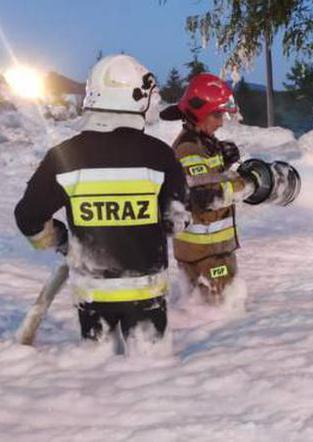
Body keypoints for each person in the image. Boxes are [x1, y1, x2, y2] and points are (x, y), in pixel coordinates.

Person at [14, 54, 186, 346]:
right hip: (147, 296)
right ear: (136, 99)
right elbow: (177, 223)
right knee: (151, 380)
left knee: (99, 377)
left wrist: (63, 242)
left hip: (92, 294)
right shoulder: (160, 155)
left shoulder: (63, 156)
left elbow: (28, 218)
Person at [160, 73, 300, 305]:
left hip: (211, 252)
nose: (221, 121)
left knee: (214, 310)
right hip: (204, 256)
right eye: (216, 115)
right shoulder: (189, 150)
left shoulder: (202, 144)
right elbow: (207, 196)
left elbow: (203, 180)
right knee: (218, 314)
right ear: (198, 111)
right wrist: (252, 183)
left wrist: (223, 161)